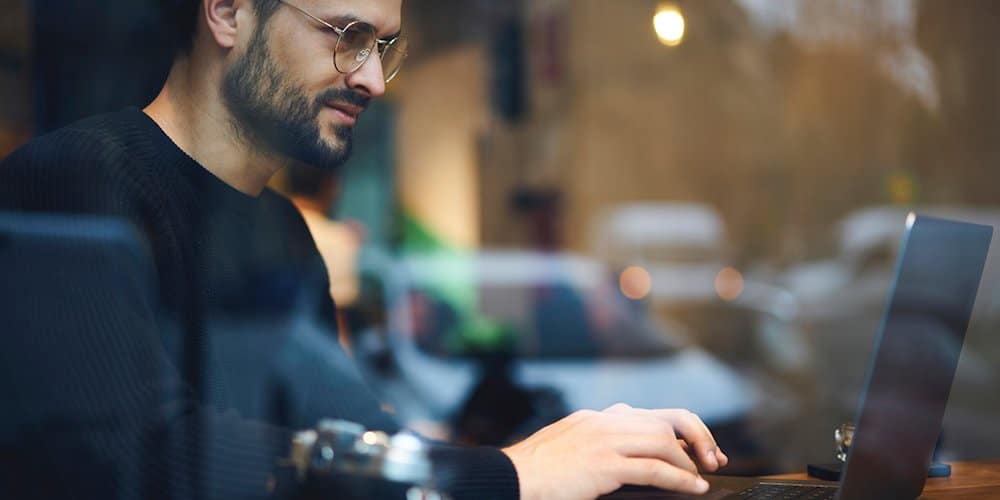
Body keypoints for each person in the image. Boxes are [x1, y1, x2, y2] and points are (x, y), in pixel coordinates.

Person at [0, 0, 729, 498]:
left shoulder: (281, 233)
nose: (373, 78)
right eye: (347, 34)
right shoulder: (73, 180)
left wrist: (586, 446)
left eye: (385, 46)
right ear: (226, 10)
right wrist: (509, 474)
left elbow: (354, 445)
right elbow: (144, 455)